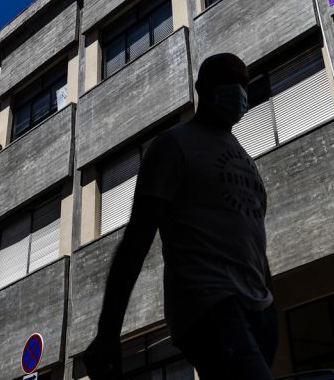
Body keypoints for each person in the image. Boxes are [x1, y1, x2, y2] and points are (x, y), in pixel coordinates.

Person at [85, 53, 277, 380]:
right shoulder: (174, 145)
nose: (240, 90)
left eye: (244, 82)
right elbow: (138, 237)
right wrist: (108, 333)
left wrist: (269, 302)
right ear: (203, 87)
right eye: (230, 79)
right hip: (210, 304)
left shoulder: (243, 156)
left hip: (259, 309)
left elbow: (253, 239)